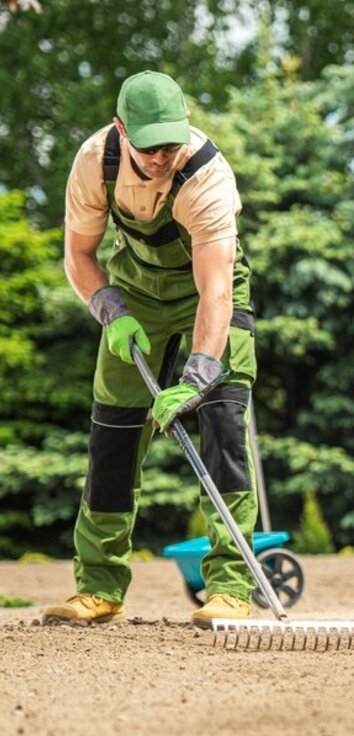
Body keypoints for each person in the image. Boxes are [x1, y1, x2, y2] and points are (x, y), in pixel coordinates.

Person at [43, 70, 258, 628]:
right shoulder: (95, 163)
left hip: (210, 296)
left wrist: (199, 373)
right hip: (134, 292)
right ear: (121, 130)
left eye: (171, 143)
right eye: (150, 146)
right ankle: (100, 588)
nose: (162, 156)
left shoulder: (206, 174)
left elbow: (214, 290)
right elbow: (79, 257)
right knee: (112, 435)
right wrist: (110, 312)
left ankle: (232, 587)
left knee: (222, 426)